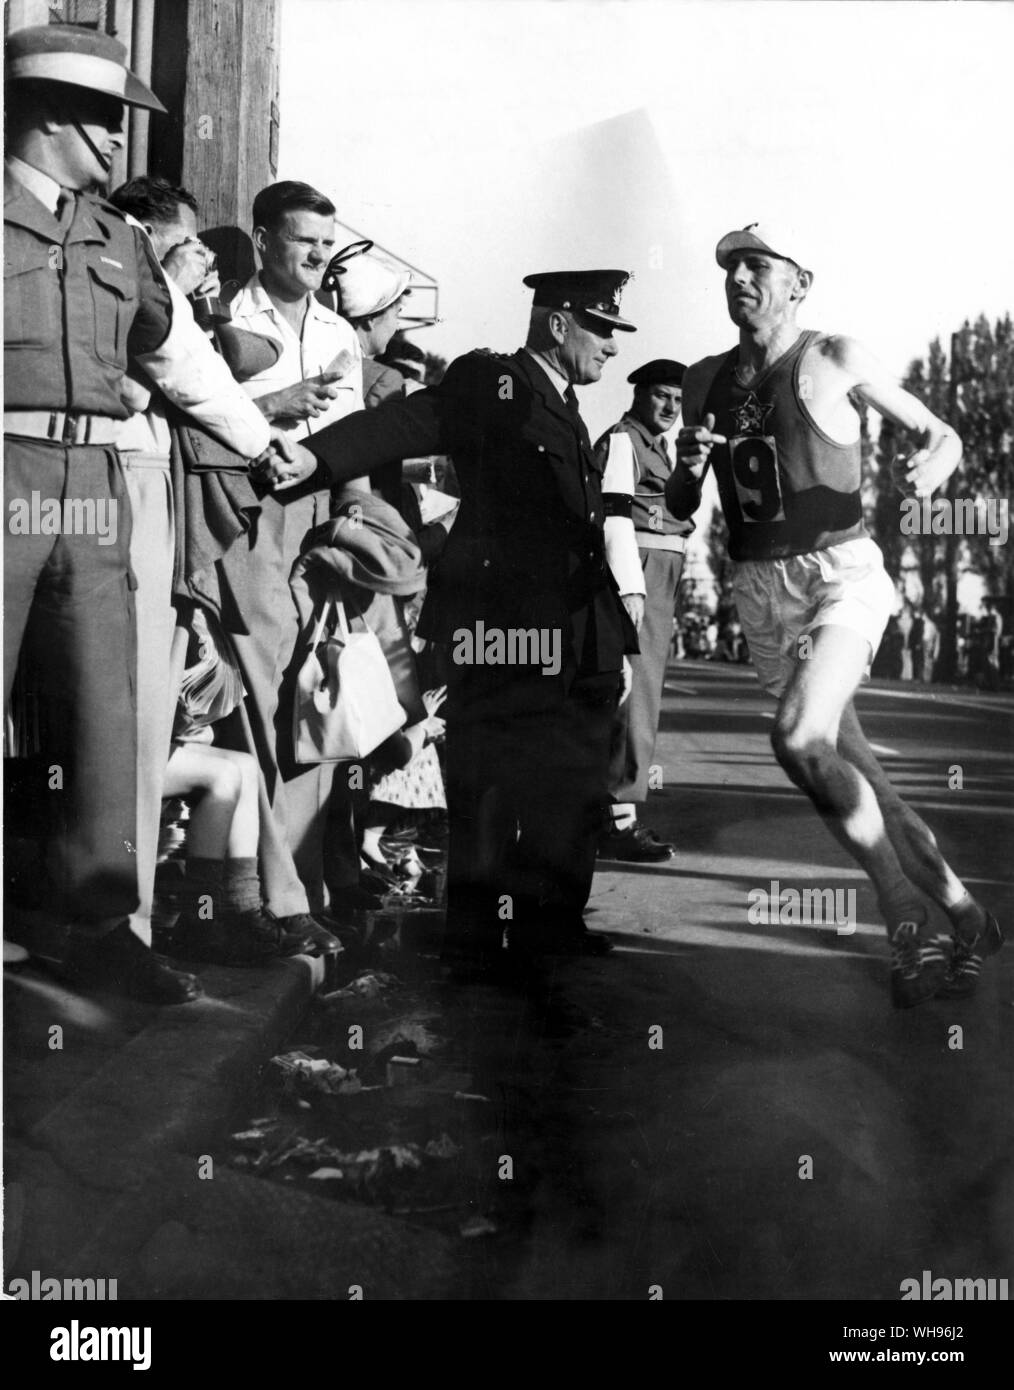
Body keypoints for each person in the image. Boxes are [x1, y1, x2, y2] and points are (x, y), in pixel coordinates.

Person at [3, 25, 294, 1004]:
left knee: (101, 706)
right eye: (104, 120)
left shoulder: (116, 240)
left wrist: (263, 443)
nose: (122, 142)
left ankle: (94, 925)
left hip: (91, 485)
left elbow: (183, 363)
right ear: (46, 117)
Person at [261, 269, 641, 972]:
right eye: (603, 330)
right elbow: (406, 423)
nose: (612, 348)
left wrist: (614, 639)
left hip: (575, 631)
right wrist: (316, 458)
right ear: (558, 325)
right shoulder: (494, 385)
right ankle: (473, 940)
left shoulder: (566, 405)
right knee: (489, 782)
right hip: (503, 632)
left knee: (568, 785)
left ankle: (547, 924)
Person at [667, 222, 1002, 1006]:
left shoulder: (834, 357)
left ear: (798, 283)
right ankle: (968, 913)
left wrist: (938, 459)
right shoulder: (702, 381)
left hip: (841, 575)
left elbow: (938, 431)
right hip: (758, 589)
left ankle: (899, 910)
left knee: (798, 736)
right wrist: (686, 474)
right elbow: (684, 505)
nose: (740, 279)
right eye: (730, 268)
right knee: (859, 779)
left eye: (758, 266)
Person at [215, 181, 369, 949]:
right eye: (304, 239)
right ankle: (274, 896)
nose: (317, 254)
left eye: (325, 242)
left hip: (319, 525)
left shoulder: (342, 332)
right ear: (263, 238)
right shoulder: (224, 321)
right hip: (247, 518)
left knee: (314, 702)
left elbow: (359, 450)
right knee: (260, 693)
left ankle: (298, 886)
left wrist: (353, 530)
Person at [596, 359, 693, 862]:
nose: (670, 408)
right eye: (661, 396)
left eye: (678, 400)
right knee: (633, 692)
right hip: (637, 568)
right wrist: (629, 585)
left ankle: (614, 810)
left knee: (640, 689)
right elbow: (611, 515)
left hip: (661, 568)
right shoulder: (623, 441)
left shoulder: (660, 447)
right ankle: (618, 817)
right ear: (637, 395)